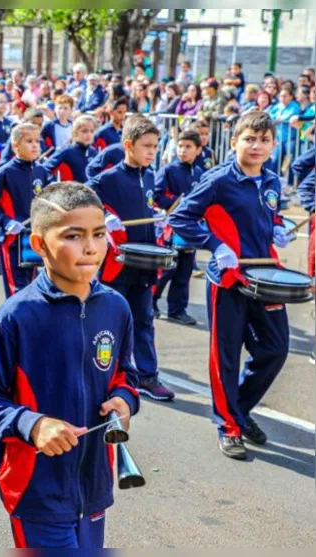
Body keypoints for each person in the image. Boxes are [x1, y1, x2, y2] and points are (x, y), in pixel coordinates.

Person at [0, 182, 140, 549]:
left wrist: (125, 401)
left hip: (93, 485)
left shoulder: (116, 308)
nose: (91, 247)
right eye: (74, 236)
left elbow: (126, 375)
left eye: (99, 234)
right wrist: (34, 425)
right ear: (39, 244)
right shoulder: (17, 315)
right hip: (36, 490)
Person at [169, 112, 294, 459]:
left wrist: (279, 227)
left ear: (272, 145)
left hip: (266, 276)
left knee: (275, 349)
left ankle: (237, 411)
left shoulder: (271, 180)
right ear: (235, 141)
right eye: (249, 139)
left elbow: (269, 215)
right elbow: (180, 217)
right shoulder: (218, 180)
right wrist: (214, 245)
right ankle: (230, 427)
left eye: (264, 140)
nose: (257, 146)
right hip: (228, 280)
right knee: (225, 358)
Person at [88, 115, 175, 402]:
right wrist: (106, 216)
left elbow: (147, 209)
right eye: (146, 146)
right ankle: (102, 374)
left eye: (155, 146)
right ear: (128, 145)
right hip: (118, 263)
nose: (152, 151)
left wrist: (157, 222)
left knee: (144, 319)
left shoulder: (150, 176)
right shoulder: (108, 179)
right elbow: (84, 198)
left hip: (145, 263)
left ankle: (147, 376)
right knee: (109, 320)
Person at [0, 123, 53, 297]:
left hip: (33, 238)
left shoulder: (41, 171)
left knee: (31, 288)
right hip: (12, 240)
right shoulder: (5, 172)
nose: (35, 145)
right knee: (16, 291)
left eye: (37, 140)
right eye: (29, 141)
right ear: (15, 146)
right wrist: (6, 222)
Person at [152, 129, 204, 325]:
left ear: (198, 150)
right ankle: (151, 302)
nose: (183, 150)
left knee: (185, 270)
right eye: (180, 146)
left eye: (188, 147)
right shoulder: (168, 170)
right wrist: (178, 202)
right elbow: (157, 195)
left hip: (190, 228)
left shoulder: (200, 173)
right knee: (166, 269)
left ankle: (177, 310)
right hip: (170, 227)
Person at [41, 114, 97, 183]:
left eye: (92, 131)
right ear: (75, 132)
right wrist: (54, 185)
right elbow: (44, 169)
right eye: (84, 131)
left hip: (89, 192)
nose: (89, 134)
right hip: (72, 192)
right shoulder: (67, 151)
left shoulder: (93, 152)